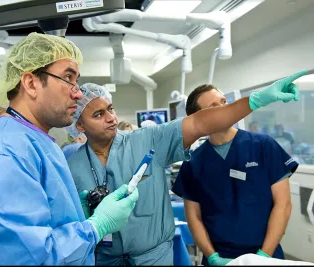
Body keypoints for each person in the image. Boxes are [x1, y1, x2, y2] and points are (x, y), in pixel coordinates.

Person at [66, 70, 306, 266]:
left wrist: (257, 100)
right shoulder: (71, 165)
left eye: (110, 109)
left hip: (152, 259)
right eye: (98, 114)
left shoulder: (148, 140)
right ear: (79, 125)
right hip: (103, 260)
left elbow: (201, 122)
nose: (110, 118)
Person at [0, 32, 139, 266]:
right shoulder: (3, 151)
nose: (78, 93)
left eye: (77, 81)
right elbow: (24, 257)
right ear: (31, 83)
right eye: (68, 78)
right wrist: (95, 227)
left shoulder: (33, 140)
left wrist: (76, 215)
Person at [172, 84, 299, 266]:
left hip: (266, 254)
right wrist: (213, 257)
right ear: (198, 118)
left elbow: (283, 204)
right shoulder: (193, 162)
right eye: (213, 106)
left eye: (224, 102)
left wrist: (263, 256)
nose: (224, 108)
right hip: (220, 257)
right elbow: (194, 217)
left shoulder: (263, 146)